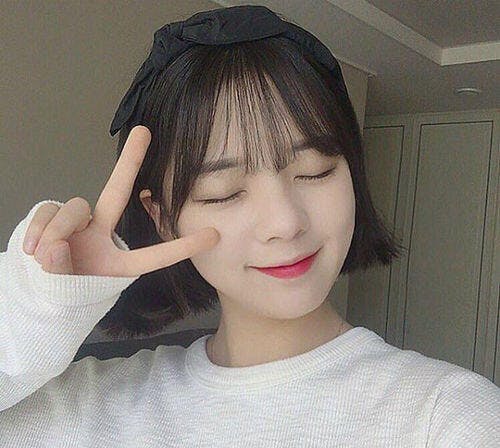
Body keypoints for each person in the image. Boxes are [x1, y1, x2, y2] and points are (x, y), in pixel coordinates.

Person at [1, 5, 499, 447]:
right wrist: (34, 308)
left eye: (315, 171)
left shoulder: (447, 417)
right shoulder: (83, 409)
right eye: (224, 192)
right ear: (162, 217)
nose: (285, 222)